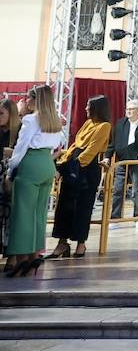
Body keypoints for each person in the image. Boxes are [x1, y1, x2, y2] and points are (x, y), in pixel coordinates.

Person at [4, 87, 63, 277]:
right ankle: (35, 255)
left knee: (22, 213)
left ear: (35, 100)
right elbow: (56, 145)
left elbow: (21, 147)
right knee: (38, 213)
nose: (25, 99)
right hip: (46, 163)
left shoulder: (30, 120)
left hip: (31, 163)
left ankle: (21, 259)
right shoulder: (54, 121)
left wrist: (11, 169)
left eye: (29, 97)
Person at [50, 95, 112, 260]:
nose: (85, 109)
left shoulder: (104, 126)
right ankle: (62, 242)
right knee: (64, 206)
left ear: (97, 109)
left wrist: (74, 166)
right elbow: (75, 144)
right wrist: (64, 163)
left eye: (88, 106)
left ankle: (80, 243)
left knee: (82, 208)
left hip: (86, 169)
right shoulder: (87, 123)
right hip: (74, 164)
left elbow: (91, 150)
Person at [0, 97, 21, 268]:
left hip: (11, 176)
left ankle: (12, 255)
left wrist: (10, 177)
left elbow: (19, 156)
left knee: (11, 216)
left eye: (2, 113)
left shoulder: (19, 131)